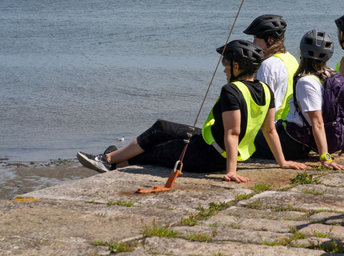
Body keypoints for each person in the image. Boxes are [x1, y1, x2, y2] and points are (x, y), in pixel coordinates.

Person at [76, 40, 306, 183]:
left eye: (227, 63)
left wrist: (231, 171)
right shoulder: (266, 89)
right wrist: (282, 162)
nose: (224, 68)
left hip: (209, 156)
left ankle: (108, 162)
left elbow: (233, 133)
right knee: (162, 127)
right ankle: (109, 157)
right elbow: (270, 130)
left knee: (155, 152)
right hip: (215, 147)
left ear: (237, 66)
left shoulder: (231, 91)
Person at [253, 30, 344, 170]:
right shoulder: (331, 74)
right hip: (304, 140)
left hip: (293, 142)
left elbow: (317, 122)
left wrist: (325, 157)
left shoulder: (307, 82)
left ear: (302, 52)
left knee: (247, 143)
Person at [243, 14, 298, 120]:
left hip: (272, 125)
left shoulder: (268, 65)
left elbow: (261, 105)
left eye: (255, 38)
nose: (253, 43)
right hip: (289, 123)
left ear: (270, 40)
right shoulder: (291, 59)